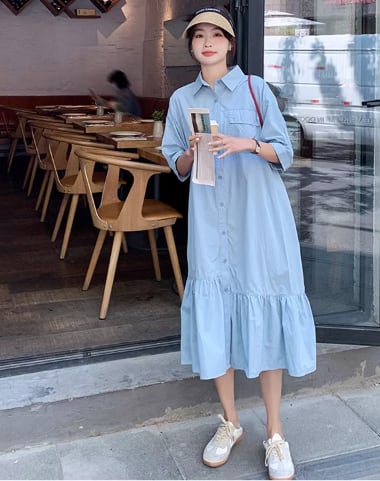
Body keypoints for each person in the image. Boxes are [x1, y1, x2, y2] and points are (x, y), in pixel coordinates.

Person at [162, 7, 316, 480]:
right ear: (191, 45)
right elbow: (175, 163)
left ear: (230, 43)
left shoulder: (255, 89)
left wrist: (245, 143)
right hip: (210, 222)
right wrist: (190, 152)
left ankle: (275, 432)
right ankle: (230, 422)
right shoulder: (181, 99)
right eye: (199, 36)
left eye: (217, 35)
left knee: (266, 307)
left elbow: (285, 150)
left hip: (259, 221)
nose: (207, 42)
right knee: (216, 317)